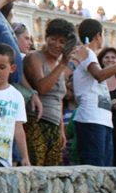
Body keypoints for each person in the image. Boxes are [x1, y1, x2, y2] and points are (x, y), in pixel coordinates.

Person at [71, 20, 116, 167]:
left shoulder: (89, 54)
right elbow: (99, 75)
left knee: (104, 168)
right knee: (95, 168)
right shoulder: (88, 54)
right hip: (91, 119)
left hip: (101, 120)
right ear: (99, 35)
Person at [23, 19, 81, 167]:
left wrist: (61, 130)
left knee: (52, 171)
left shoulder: (58, 65)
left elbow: (59, 100)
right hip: (36, 121)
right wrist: (63, 64)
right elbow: (42, 88)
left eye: (62, 41)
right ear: (46, 38)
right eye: (53, 39)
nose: (57, 45)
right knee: (35, 168)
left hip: (54, 125)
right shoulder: (35, 57)